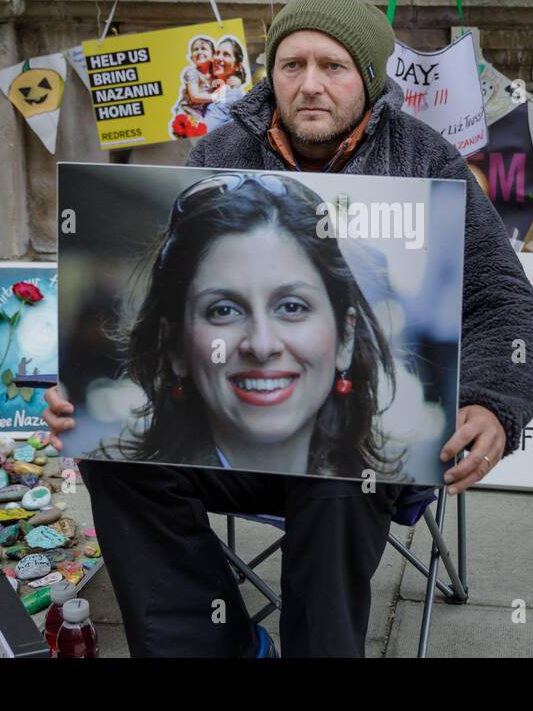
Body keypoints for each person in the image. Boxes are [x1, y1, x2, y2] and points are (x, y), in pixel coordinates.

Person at [45, 0, 533, 657]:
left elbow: (506, 304)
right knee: (112, 458)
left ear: (368, 80)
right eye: (292, 65)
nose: (310, 85)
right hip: (224, 441)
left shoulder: (426, 159)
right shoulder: (221, 148)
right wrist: (75, 393)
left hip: (350, 445)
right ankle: (212, 645)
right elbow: (179, 301)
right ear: (272, 74)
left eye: (332, 67)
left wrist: (492, 401)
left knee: (341, 479)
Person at [105, 170, 410, 481]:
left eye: (292, 307)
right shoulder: (127, 485)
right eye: (223, 310)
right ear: (176, 348)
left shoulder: (384, 490)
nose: (262, 346)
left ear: (344, 338)